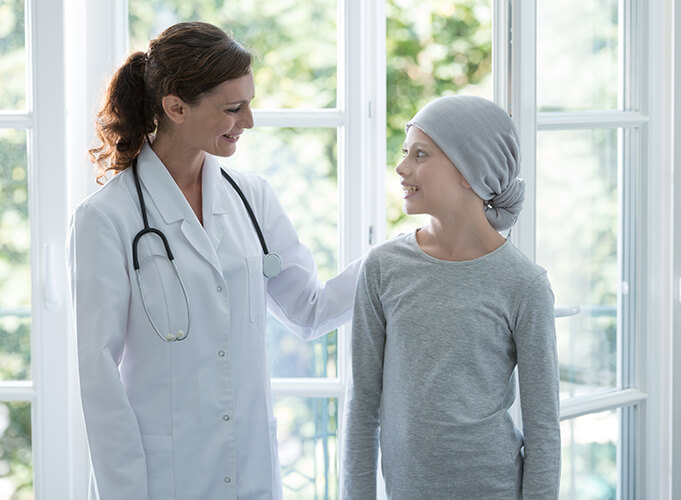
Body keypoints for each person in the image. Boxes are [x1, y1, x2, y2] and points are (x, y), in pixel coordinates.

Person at [67, 22, 359, 500]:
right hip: (164, 477)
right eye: (232, 108)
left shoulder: (252, 197)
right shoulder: (106, 218)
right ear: (176, 107)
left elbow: (308, 309)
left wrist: (399, 252)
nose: (249, 122)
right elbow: (98, 380)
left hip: (250, 468)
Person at [342, 95, 561, 499]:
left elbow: (543, 428)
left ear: (469, 171)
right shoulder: (382, 267)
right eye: (405, 152)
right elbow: (362, 406)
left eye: (420, 154)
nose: (402, 167)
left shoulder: (524, 284)